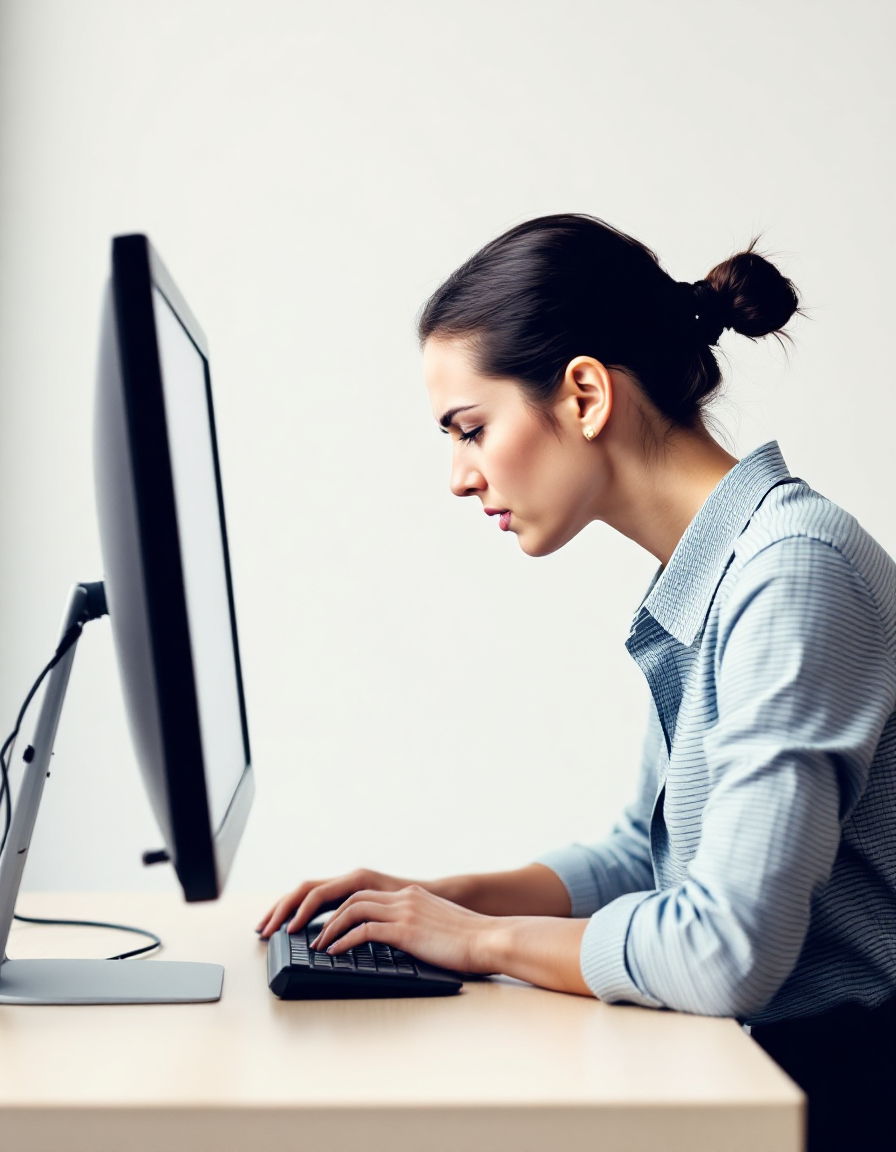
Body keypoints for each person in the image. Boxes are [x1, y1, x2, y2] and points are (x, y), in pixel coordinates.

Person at [258, 215, 896, 1152]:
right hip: (757, 1069)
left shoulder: (792, 573)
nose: (458, 477)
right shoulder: (718, 568)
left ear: (586, 393)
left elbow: (725, 952)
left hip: (827, 1093)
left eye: (471, 429)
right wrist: (443, 900)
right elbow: (650, 858)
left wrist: (476, 942)